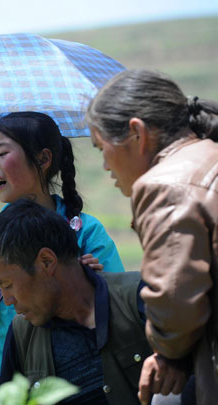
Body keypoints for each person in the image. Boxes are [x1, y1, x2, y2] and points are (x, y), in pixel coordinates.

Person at [0, 112, 125, 391]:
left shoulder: (86, 233)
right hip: (9, 390)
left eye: (2, 153)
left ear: (43, 159)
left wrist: (92, 282)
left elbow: (118, 311)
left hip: (83, 384)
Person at [86, 69, 218, 405]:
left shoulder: (165, 185)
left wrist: (168, 354)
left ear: (136, 133)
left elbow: (175, 301)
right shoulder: (209, 154)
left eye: (102, 147)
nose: (104, 165)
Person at [0, 199, 159, 404]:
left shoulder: (140, 299)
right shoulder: (22, 336)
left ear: (46, 261)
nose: (7, 300)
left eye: (7, 284)